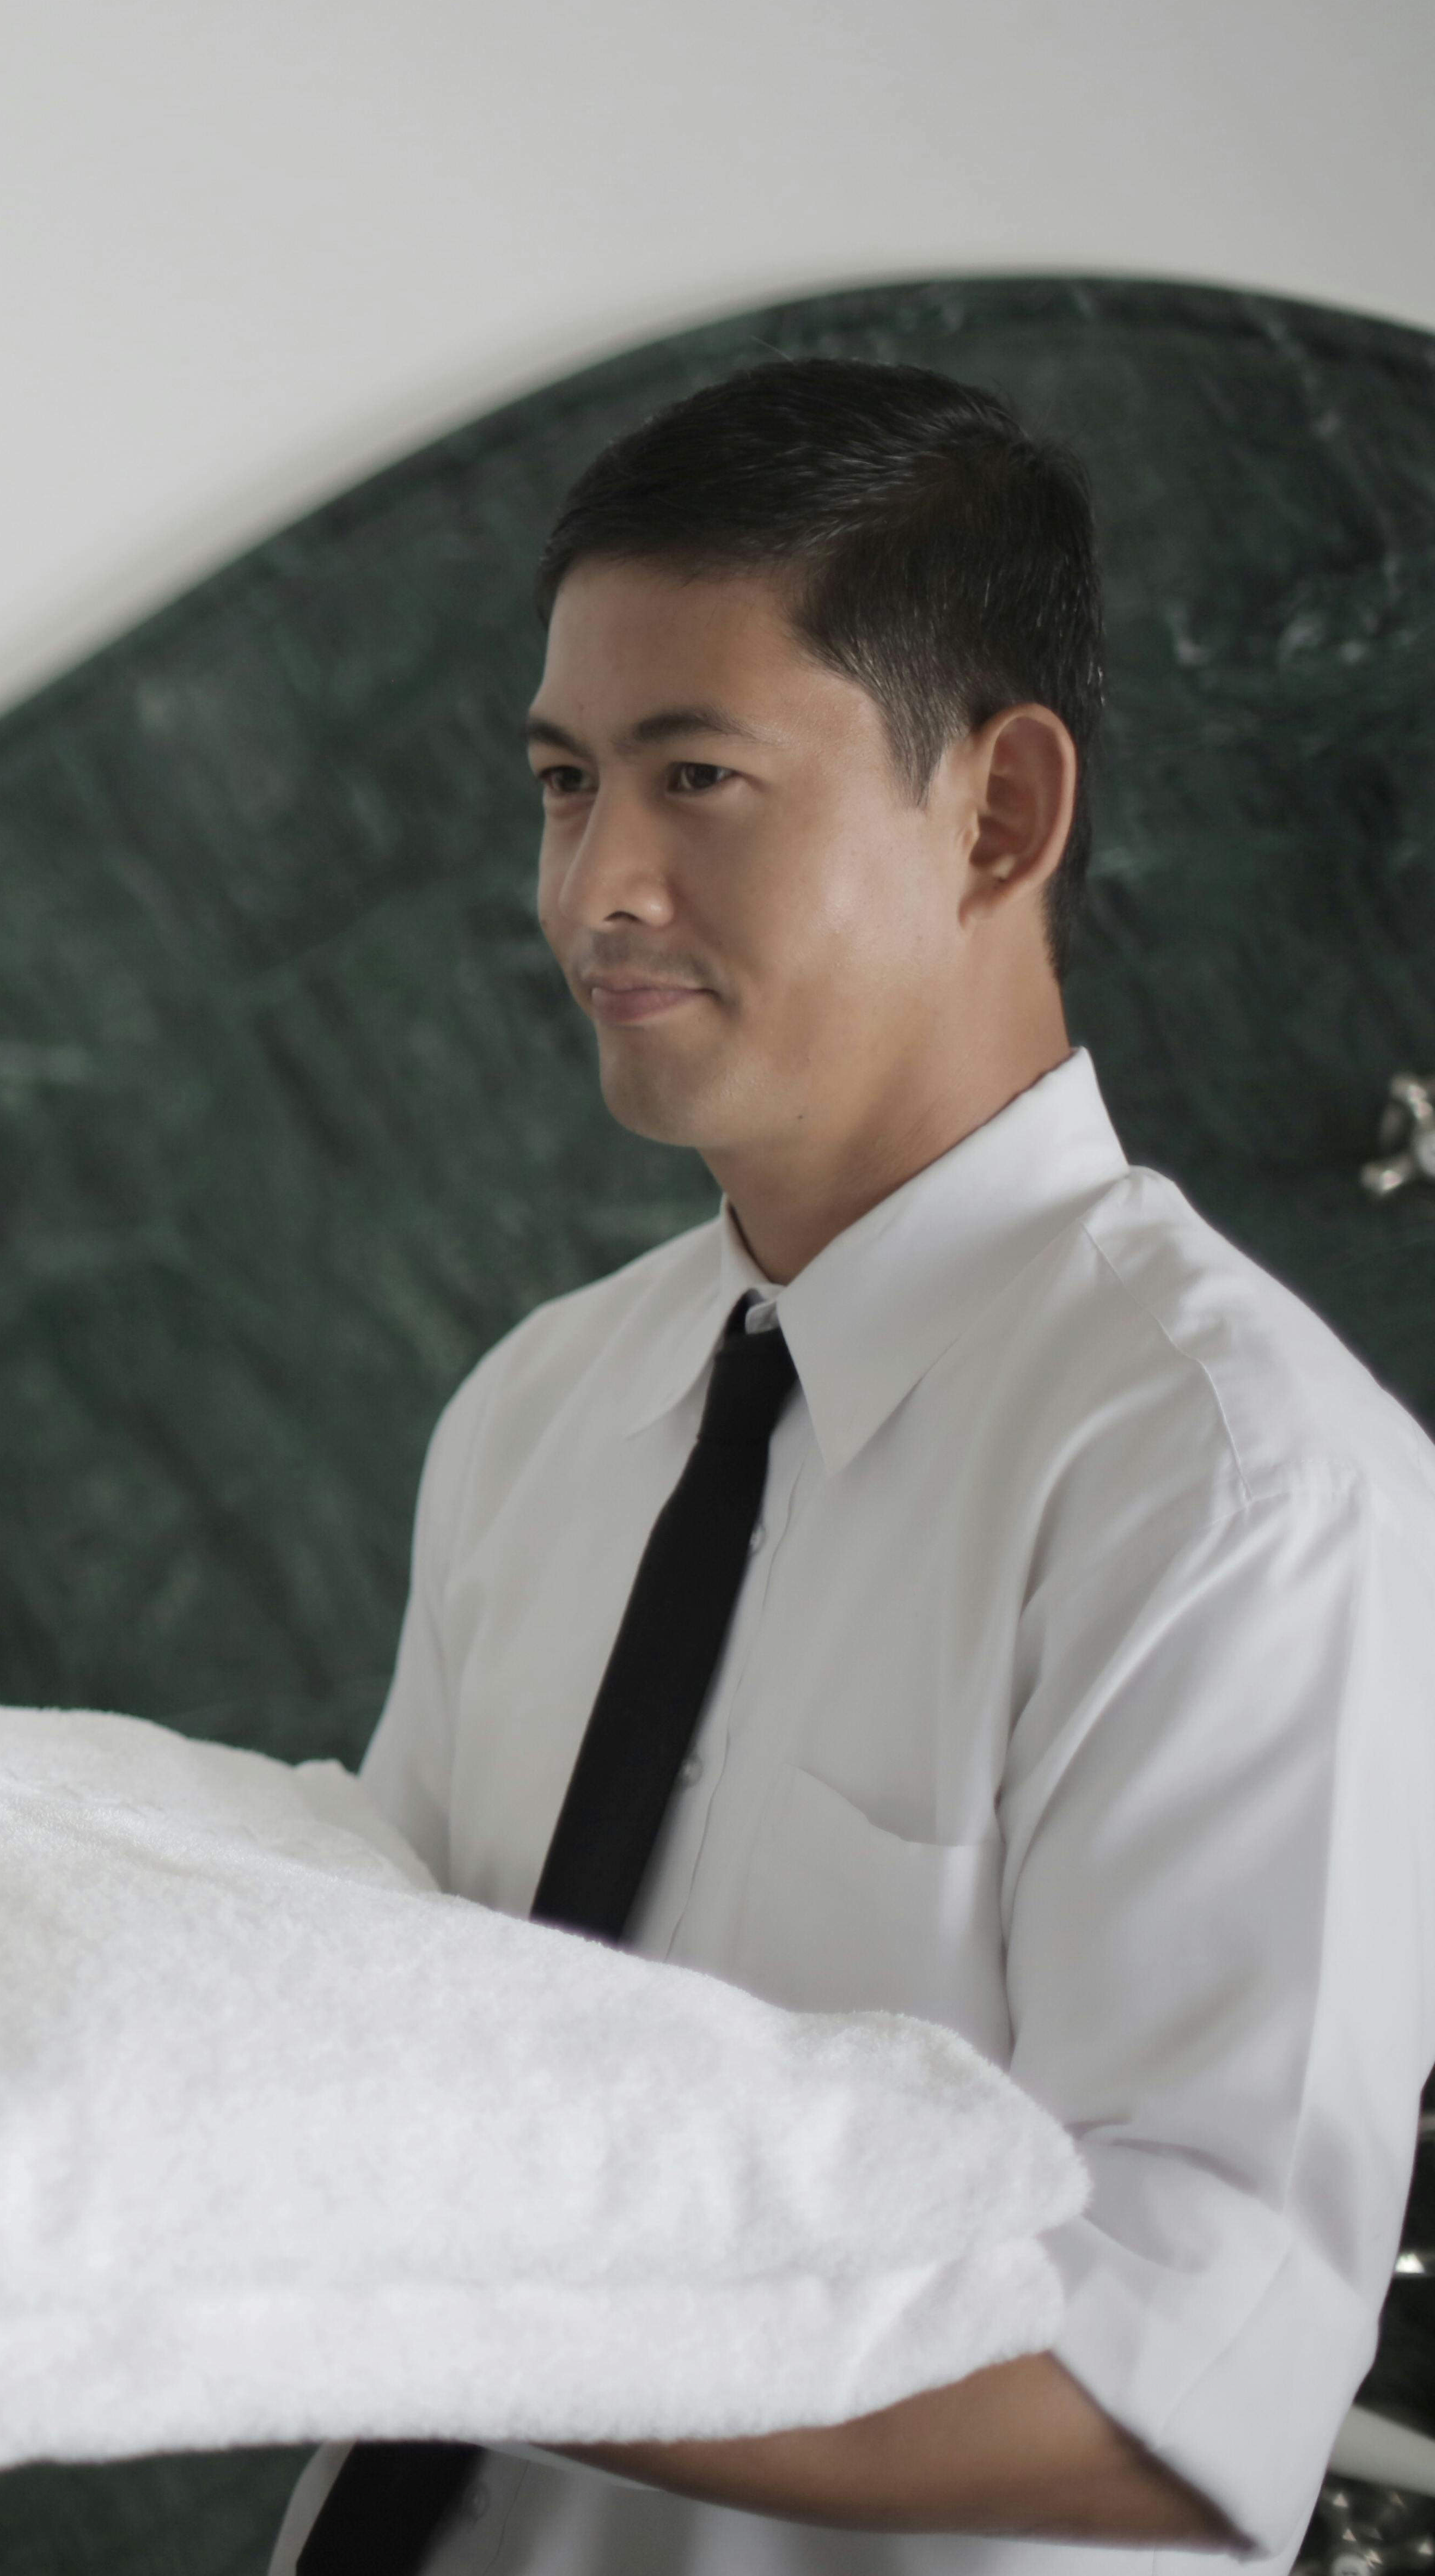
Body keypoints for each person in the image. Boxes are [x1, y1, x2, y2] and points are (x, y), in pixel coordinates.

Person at [272, 358, 1435, 2574]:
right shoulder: (539, 1403)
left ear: (996, 814)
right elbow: (394, 2057)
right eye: (557, 782)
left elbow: (1173, 2380)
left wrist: (400, 2302)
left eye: (694, 776)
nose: (591, 887)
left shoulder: (1232, 1490)